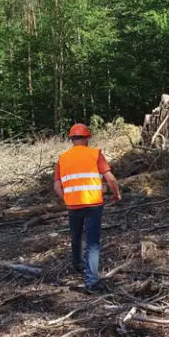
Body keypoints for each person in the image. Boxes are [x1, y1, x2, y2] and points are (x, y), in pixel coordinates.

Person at [53, 123, 121, 293]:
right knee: (92, 243)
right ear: (87, 138)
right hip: (93, 204)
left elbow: (56, 186)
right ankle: (91, 282)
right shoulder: (95, 153)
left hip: (73, 205)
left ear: (71, 140)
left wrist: (67, 198)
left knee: (75, 236)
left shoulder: (62, 158)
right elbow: (111, 179)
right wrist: (117, 194)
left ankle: (77, 264)